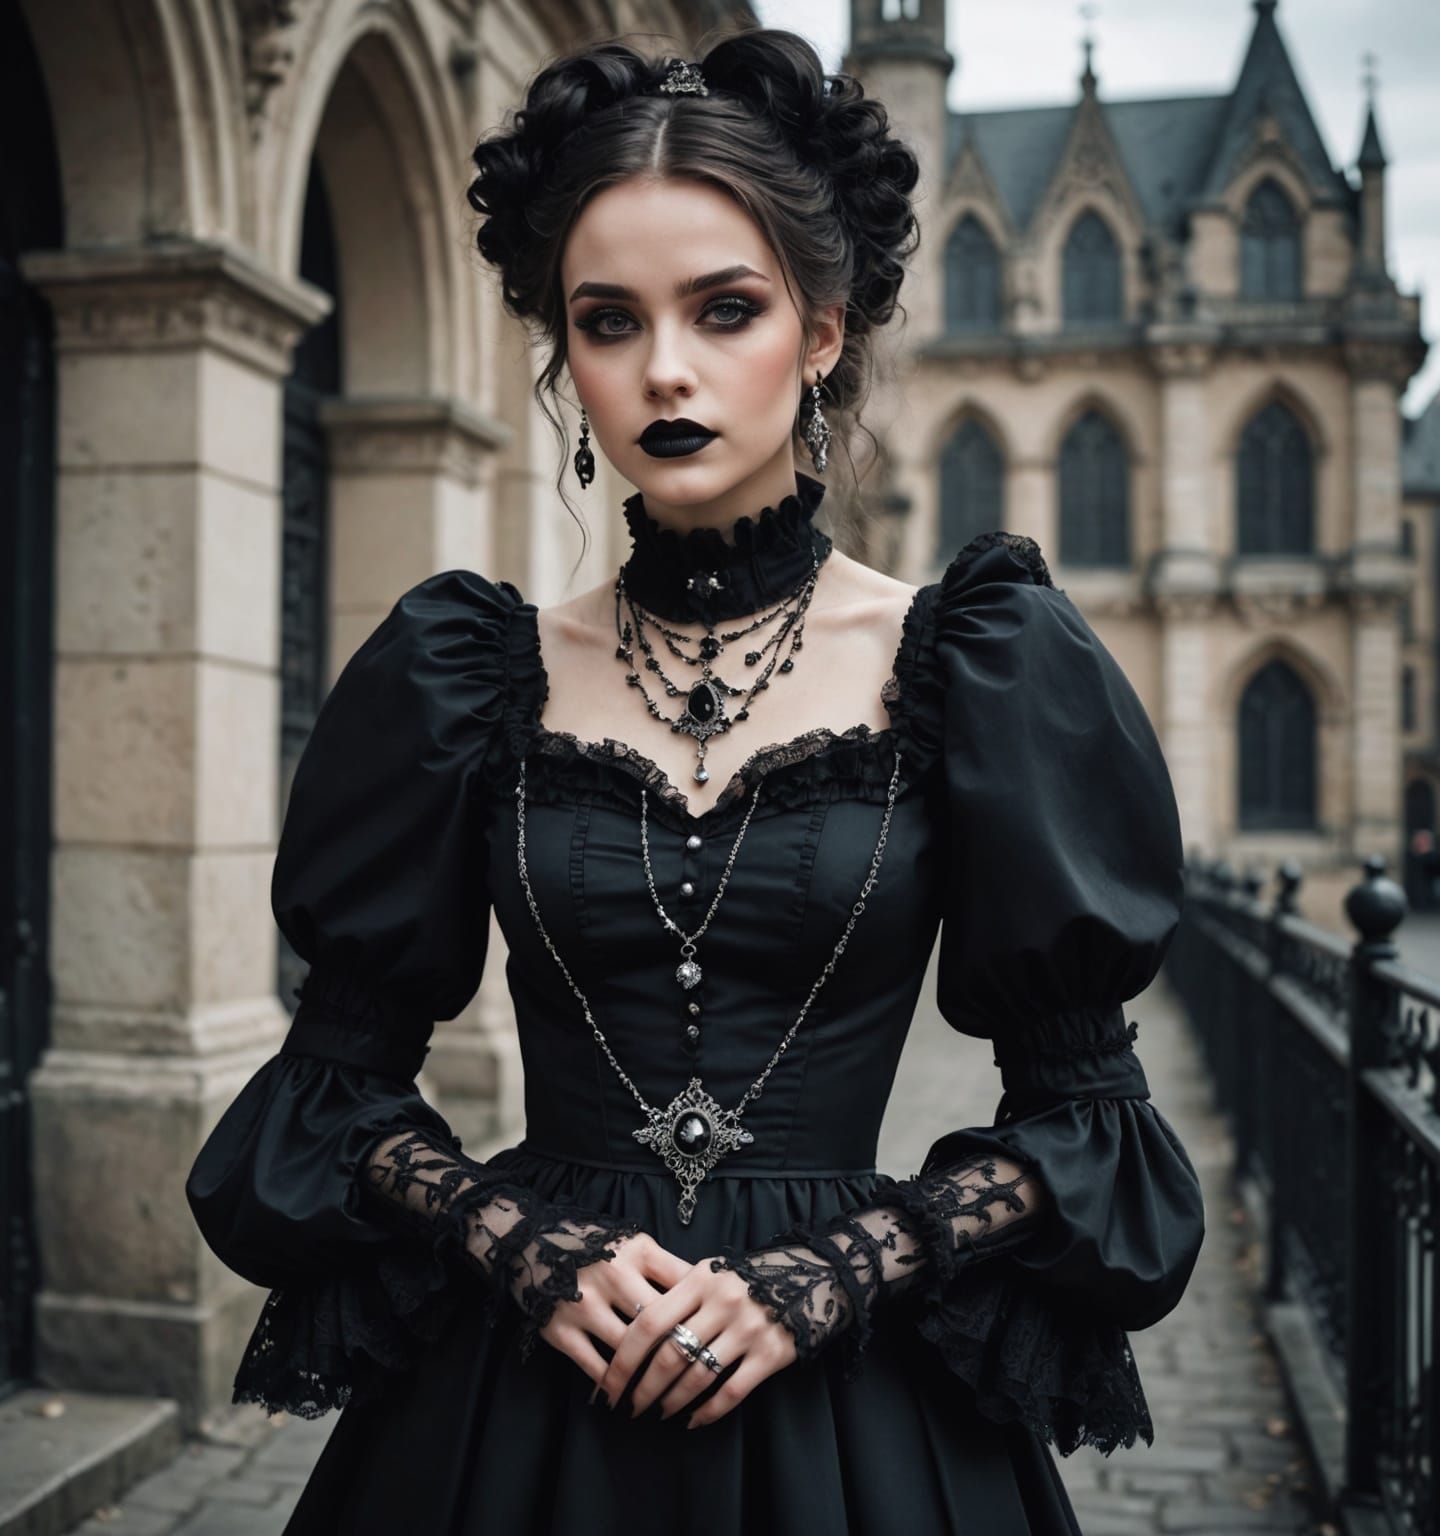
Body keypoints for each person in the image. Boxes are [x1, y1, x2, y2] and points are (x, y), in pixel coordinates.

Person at [187, 27, 1206, 1534]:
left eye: (724, 309)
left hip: (851, 1407)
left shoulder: (976, 663)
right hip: (519, 1390)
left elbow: (1090, 1125)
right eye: (608, 320)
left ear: (824, 330)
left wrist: (848, 1268)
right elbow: (332, 1094)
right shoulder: (463, 670)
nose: (663, 368)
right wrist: (506, 1238)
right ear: (565, 352)